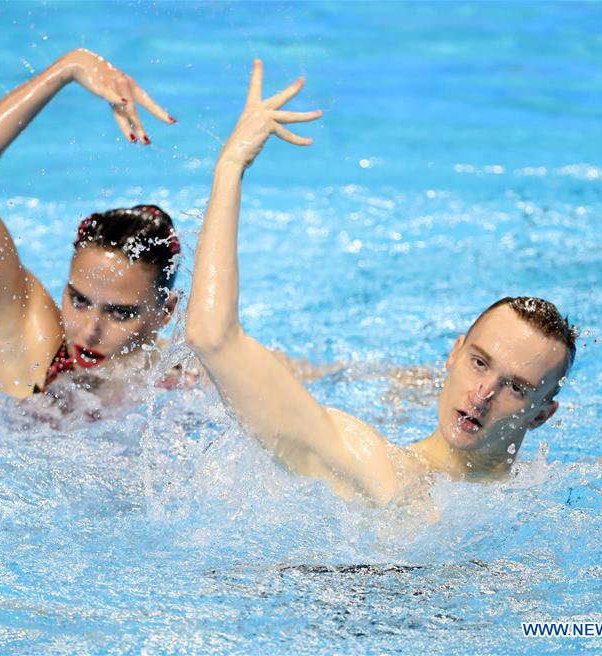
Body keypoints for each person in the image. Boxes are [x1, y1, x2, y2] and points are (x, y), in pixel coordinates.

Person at [186, 60, 577, 504]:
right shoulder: (381, 474)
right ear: (453, 355)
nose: (484, 394)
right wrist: (230, 165)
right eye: (480, 362)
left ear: (541, 416)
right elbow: (211, 337)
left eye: (517, 388)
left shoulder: (552, 492)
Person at [0, 48, 182, 403]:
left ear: (164, 313)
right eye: (78, 300)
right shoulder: (31, 343)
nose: (89, 330)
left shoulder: (188, 382)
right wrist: (68, 68)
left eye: (120, 312)